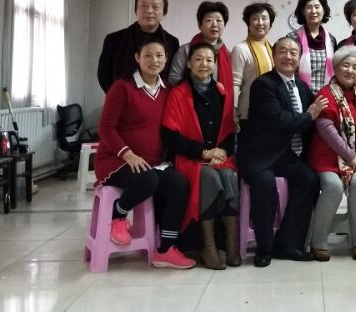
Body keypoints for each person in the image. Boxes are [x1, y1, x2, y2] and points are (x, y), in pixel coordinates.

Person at [93, 37, 194, 269]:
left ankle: (166, 249)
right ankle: (118, 215)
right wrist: (128, 154)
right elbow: (106, 127)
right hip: (116, 161)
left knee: (179, 184)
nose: (154, 60)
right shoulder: (122, 87)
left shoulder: (168, 89)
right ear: (137, 58)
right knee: (148, 180)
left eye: (159, 55)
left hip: (151, 163)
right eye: (147, 55)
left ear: (166, 59)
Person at [237, 36, 329, 267]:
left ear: (299, 58)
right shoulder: (263, 85)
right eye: (283, 52)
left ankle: (288, 244)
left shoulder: (302, 87)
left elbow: (312, 119)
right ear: (274, 55)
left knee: (309, 180)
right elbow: (281, 120)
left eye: (293, 53)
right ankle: (264, 248)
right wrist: (309, 115)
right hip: (261, 155)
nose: (288, 57)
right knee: (265, 185)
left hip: (286, 155)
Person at [162, 42, 239, 270]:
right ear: (188, 63)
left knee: (229, 176)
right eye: (198, 59)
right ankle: (208, 246)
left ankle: (232, 244)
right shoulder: (178, 93)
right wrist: (204, 152)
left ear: (214, 64)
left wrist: (221, 152)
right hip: (190, 158)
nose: (204, 64)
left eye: (209, 60)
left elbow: (229, 132)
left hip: (217, 157)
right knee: (210, 177)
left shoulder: (221, 92)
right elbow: (170, 137)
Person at [307, 46, 356, 261]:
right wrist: (351, 158)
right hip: (327, 157)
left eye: (355, 67)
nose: (350, 70)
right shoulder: (325, 94)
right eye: (345, 65)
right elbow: (327, 132)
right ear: (335, 67)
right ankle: (318, 241)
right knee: (333, 187)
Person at [97, 0, 180, 93]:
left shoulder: (172, 42)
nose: (149, 11)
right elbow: (104, 75)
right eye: (144, 6)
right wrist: (116, 96)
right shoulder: (114, 39)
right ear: (136, 11)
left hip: (161, 99)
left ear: (164, 13)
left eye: (155, 7)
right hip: (122, 98)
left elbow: (173, 76)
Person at [229, 1, 276, 132]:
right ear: (248, 23)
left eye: (264, 18)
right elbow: (235, 82)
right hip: (247, 112)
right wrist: (233, 109)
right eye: (255, 18)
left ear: (270, 23)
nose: (260, 22)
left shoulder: (274, 48)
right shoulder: (240, 49)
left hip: (272, 110)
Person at [168, 1, 232, 89]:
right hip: (189, 96)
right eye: (209, 20)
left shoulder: (228, 55)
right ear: (200, 25)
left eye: (219, 20)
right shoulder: (186, 50)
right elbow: (173, 78)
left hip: (218, 98)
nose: (214, 24)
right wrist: (198, 91)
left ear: (224, 25)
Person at [288, 0, 338, 93]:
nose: (313, 11)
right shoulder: (292, 38)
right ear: (303, 11)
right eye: (309, 7)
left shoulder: (331, 40)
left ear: (324, 10)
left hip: (327, 96)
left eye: (317, 7)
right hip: (299, 94)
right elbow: (286, 70)